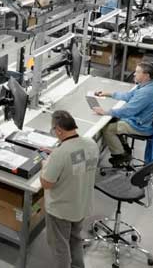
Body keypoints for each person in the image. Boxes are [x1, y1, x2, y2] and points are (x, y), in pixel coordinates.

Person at [40, 110, 99, 268]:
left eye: (53, 130)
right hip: (81, 205)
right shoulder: (91, 144)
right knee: (75, 239)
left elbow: (46, 183)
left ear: (59, 130)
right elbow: (77, 161)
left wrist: (45, 164)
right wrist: (56, 155)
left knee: (60, 247)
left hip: (61, 210)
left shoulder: (61, 154)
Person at [92, 62, 153, 166]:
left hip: (142, 126)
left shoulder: (146, 93)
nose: (134, 74)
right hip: (141, 120)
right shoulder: (145, 86)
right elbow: (128, 96)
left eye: (137, 72)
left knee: (108, 128)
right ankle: (124, 147)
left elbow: (128, 111)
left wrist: (105, 112)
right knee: (114, 120)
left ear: (146, 75)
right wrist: (109, 94)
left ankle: (120, 155)